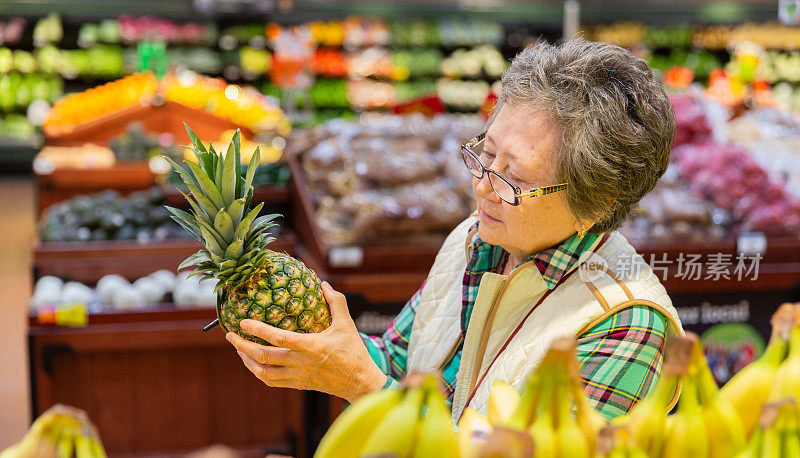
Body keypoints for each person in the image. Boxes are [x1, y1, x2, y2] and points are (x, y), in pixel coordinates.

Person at [226, 38, 684, 422]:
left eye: (515, 181)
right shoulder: (475, 239)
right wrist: (316, 338)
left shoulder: (627, 326)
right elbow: (399, 363)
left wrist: (360, 384)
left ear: (596, 203)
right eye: (485, 154)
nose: (482, 187)